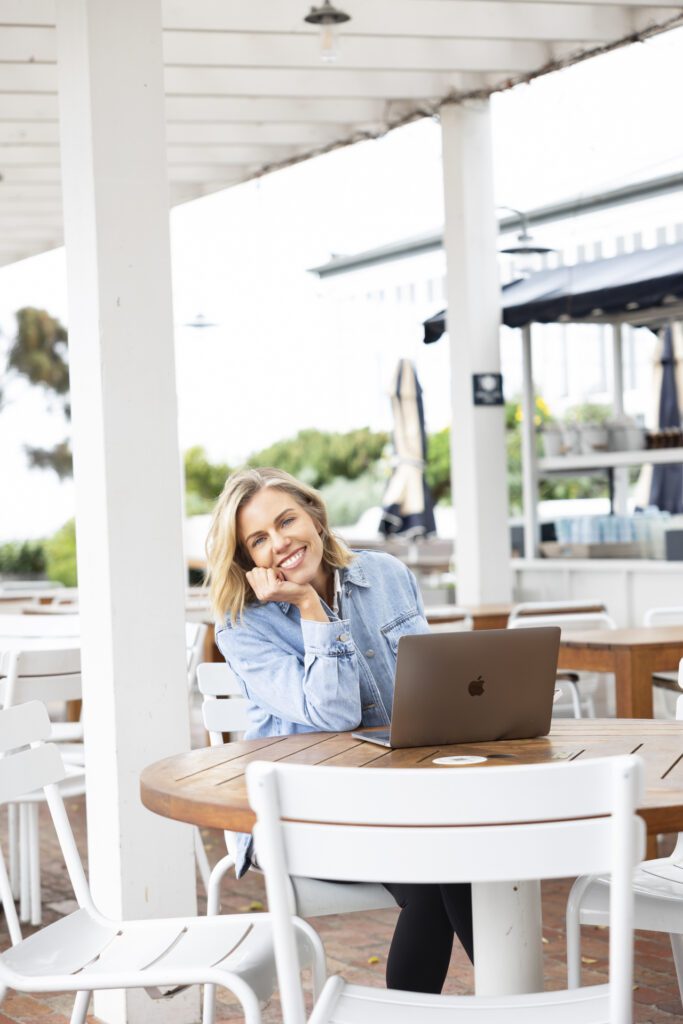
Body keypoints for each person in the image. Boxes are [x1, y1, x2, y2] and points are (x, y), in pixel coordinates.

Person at [206, 466, 473, 993]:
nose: (279, 543)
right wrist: (309, 606)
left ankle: (508, 1001)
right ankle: (521, 1001)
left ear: (315, 516)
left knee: (457, 852)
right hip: (299, 811)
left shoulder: (387, 574)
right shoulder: (243, 625)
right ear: (247, 559)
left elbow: (431, 684)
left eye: (287, 521)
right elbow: (334, 715)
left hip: (398, 794)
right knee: (446, 862)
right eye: (259, 539)